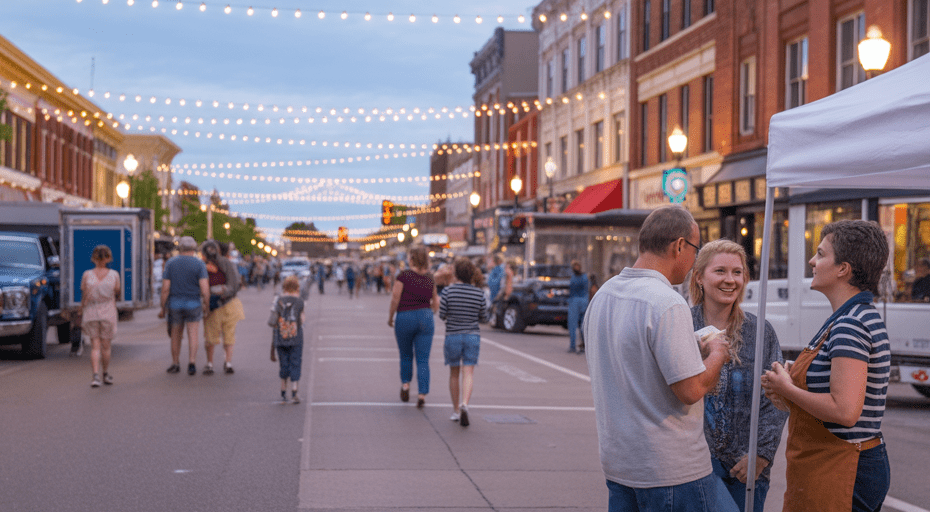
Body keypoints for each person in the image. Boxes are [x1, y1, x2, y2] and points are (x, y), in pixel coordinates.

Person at [583, 205, 733, 512]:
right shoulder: (666, 302)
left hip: (620, 463)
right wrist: (718, 353)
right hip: (671, 469)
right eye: (695, 249)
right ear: (679, 246)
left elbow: (633, 360)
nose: (694, 262)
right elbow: (690, 390)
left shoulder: (604, 295)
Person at [762, 220, 891, 512]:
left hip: (841, 468)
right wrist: (788, 393)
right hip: (834, 465)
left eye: (820, 254)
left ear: (843, 269)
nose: (812, 261)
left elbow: (844, 411)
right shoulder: (849, 317)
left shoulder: (850, 323)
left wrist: (788, 389)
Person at [689, 239, 788, 512]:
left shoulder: (760, 332)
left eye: (737, 272)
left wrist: (762, 455)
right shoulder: (682, 325)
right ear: (699, 276)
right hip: (693, 465)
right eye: (720, 271)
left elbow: (777, 398)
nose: (730, 280)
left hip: (746, 468)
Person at [439, 258, 489, 427]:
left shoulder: (448, 292)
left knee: (454, 373)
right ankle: (465, 404)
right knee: (468, 372)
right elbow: (484, 317)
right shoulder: (478, 293)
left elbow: (442, 314)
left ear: (457, 274)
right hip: (472, 336)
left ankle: (455, 410)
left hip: (452, 335)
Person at [388, 246, 439, 408]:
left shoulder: (403, 276)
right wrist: (431, 312)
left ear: (412, 259)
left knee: (405, 355)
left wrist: (391, 317)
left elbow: (395, 298)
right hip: (425, 316)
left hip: (405, 316)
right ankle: (422, 394)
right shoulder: (430, 278)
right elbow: (435, 302)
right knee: (423, 359)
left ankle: (405, 385)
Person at [159, 236, 210, 376]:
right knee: (193, 334)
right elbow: (205, 288)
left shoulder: (170, 263)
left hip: (175, 303)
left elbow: (165, 288)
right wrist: (206, 304)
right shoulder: (199, 264)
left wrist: (162, 307)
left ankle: (175, 363)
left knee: (176, 334)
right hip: (193, 303)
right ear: (194, 248)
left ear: (179, 248)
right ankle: (192, 363)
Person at [80, 245, 121, 388]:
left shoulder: (87, 274)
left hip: (91, 312)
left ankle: (95, 376)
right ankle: (106, 374)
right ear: (109, 258)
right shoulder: (114, 275)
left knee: (95, 346)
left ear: (93, 258)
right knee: (106, 346)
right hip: (108, 312)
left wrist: (81, 310)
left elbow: (84, 294)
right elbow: (117, 292)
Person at [201, 240, 244, 375]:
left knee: (213, 335)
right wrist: (224, 292)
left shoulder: (205, 265)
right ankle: (226, 362)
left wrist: (215, 293)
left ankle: (212, 363)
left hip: (216, 304)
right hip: (226, 304)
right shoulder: (226, 263)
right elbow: (235, 283)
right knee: (226, 335)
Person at [269, 275, 305, 403]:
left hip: (281, 336)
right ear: (297, 287)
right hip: (296, 337)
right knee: (295, 361)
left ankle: (283, 390)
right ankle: (294, 390)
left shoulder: (278, 300)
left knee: (284, 362)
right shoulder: (300, 301)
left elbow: (272, 321)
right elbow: (302, 320)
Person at [567, 260, 589, 353]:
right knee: (583, 326)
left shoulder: (573, 277)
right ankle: (583, 346)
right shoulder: (584, 277)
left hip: (574, 302)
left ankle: (573, 346)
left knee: (573, 325)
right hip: (584, 301)